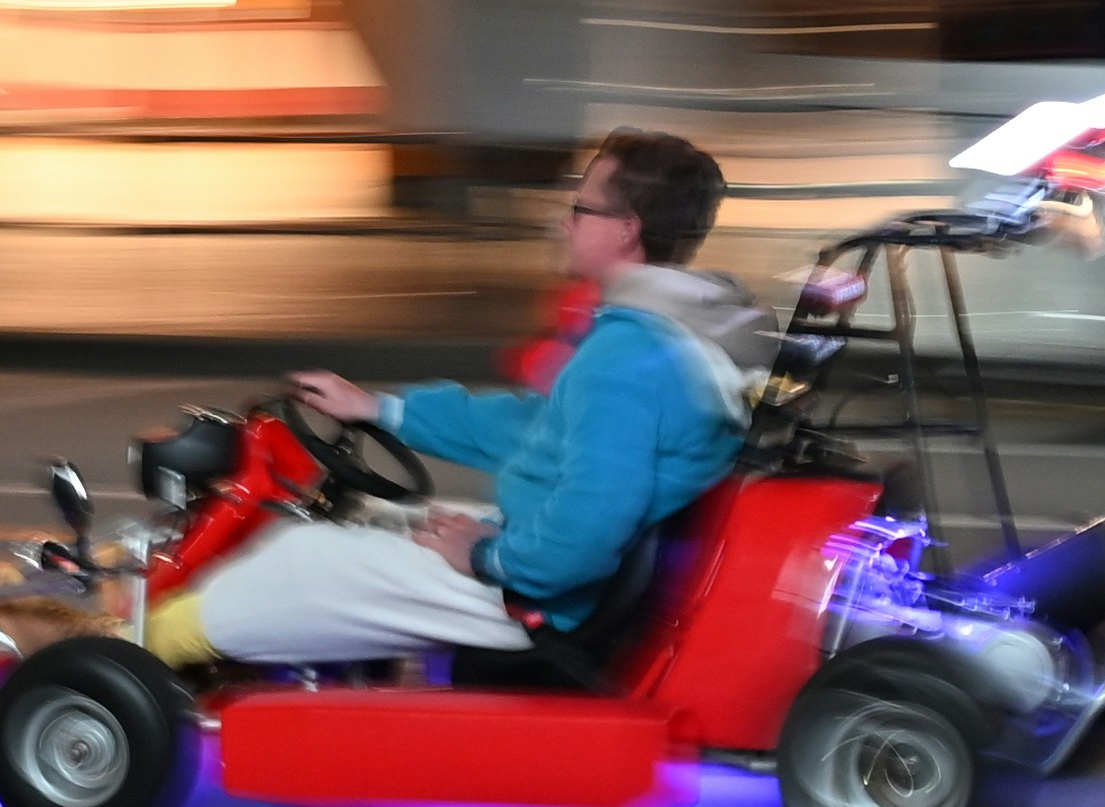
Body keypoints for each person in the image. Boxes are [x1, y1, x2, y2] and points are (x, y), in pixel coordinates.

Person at [140, 128, 761, 671]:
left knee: (300, 551)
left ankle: (139, 654)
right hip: (541, 565)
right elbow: (534, 430)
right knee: (370, 521)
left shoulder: (628, 360)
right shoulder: (667, 337)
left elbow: (588, 527)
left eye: (581, 208)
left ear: (627, 230)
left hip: (535, 599)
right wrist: (380, 410)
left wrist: (487, 556)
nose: (566, 221)